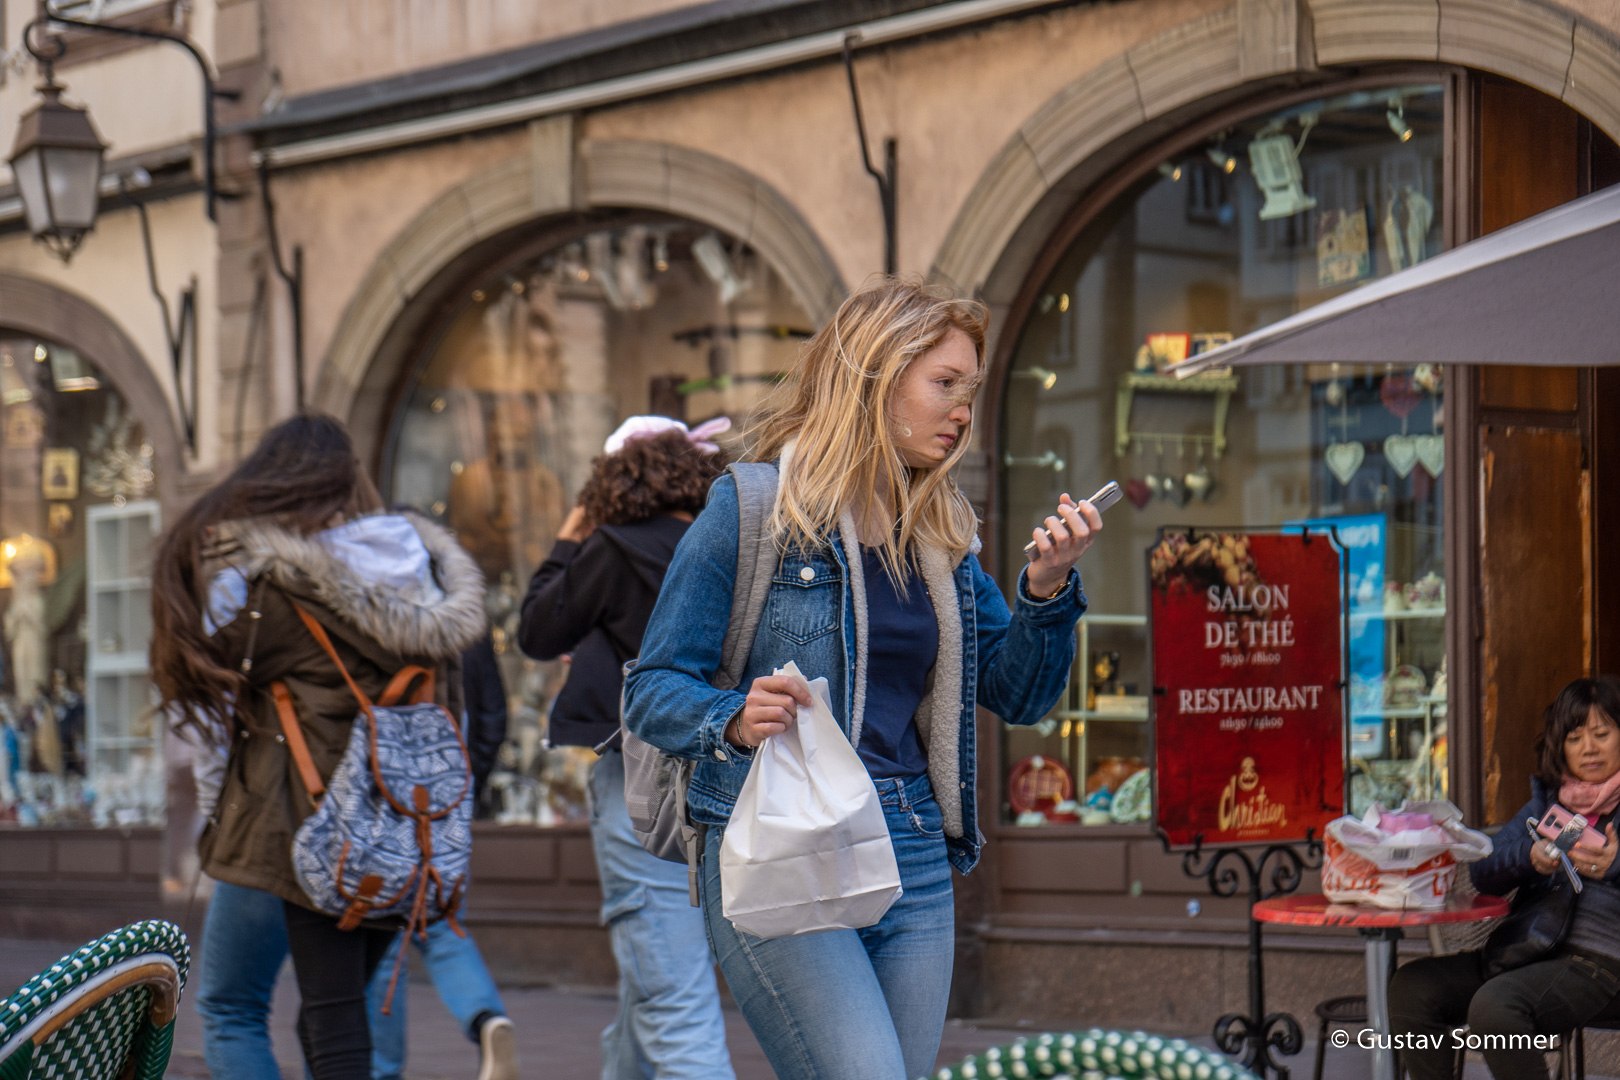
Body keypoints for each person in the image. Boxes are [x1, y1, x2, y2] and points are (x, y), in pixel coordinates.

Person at [622, 277, 1102, 1080]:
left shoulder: (942, 536)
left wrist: (1047, 589)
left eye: (971, 392)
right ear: (875, 377)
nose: (963, 412)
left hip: (911, 850)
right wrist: (734, 715)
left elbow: (1020, 695)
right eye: (944, 385)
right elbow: (652, 689)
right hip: (779, 836)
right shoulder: (753, 509)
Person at [151, 414, 488, 1080]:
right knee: (333, 1015)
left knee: (246, 1011)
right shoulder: (435, 590)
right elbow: (458, 718)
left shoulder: (274, 597)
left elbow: (203, 690)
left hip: (310, 829)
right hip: (401, 835)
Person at [518, 416, 737, 1080]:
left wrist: (571, 531)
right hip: (735, 768)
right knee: (651, 984)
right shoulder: (732, 544)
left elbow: (536, 627)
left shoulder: (611, 548)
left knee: (673, 1001)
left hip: (642, 782)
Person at [1388, 676, 1620, 1080]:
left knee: (1497, 1008)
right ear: (1559, 746)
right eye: (1575, 737)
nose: (1589, 748)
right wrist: (1529, 858)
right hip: (1526, 951)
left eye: (1602, 734)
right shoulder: (1547, 802)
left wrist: (1616, 864)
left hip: (1600, 965)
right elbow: (1483, 870)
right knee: (1413, 987)